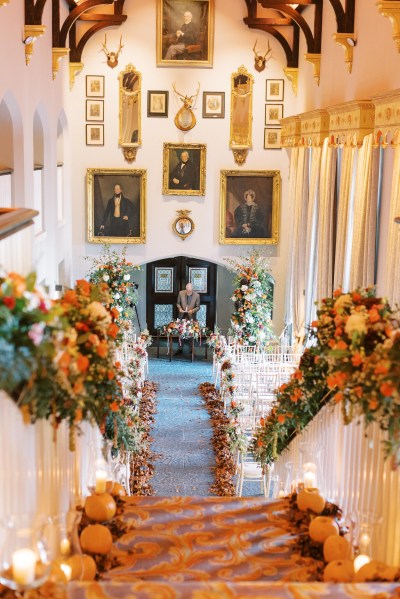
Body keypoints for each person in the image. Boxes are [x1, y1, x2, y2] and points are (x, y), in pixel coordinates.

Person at [175, 283, 200, 355]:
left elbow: (198, 307)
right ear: (186, 289)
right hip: (181, 315)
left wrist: (192, 310)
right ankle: (180, 348)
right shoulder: (181, 293)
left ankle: (191, 349)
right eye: (187, 291)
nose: (188, 292)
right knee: (180, 331)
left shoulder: (197, 295)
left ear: (192, 289)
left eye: (190, 291)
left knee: (191, 332)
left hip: (191, 316)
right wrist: (179, 308)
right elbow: (178, 303)